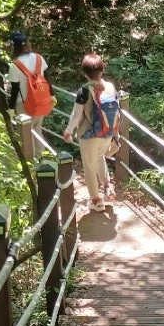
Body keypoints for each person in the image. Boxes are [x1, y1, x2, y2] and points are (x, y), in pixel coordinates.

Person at [63, 53, 120, 212]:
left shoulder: (84, 90)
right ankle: (107, 188)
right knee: (99, 157)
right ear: (102, 70)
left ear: (85, 73)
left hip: (89, 135)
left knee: (89, 166)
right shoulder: (110, 87)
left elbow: (76, 116)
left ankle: (96, 201)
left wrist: (68, 131)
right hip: (107, 132)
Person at [7, 31, 55, 155]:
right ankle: (42, 158)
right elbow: (47, 79)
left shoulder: (15, 65)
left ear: (14, 47)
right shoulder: (39, 58)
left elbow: (14, 89)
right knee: (37, 130)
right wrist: (52, 95)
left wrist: (11, 109)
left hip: (23, 104)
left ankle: (29, 162)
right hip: (41, 101)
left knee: (25, 135)